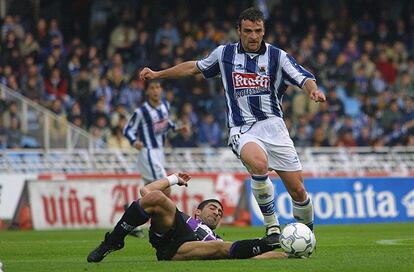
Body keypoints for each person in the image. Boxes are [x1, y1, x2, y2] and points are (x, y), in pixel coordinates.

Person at [139, 7, 326, 246]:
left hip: (275, 128)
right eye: (248, 31)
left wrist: (313, 91)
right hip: (242, 128)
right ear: (239, 30)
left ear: (263, 30)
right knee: (259, 164)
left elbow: (303, 77)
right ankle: (273, 229)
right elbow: (193, 67)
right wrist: (157, 74)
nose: (253, 36)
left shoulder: (277, 56)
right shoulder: (224, 54)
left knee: (299, 192)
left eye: (258, 31)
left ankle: (307, 237)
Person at [87, 172, 288, 262]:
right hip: (173, 231)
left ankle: (270, 242)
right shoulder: (183, 218)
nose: (217, 212)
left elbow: (253, 257)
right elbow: (146, 190)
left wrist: (285, 253)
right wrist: (174, 179)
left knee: (222, 247)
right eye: (213, 207)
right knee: (155, 197)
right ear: (197, 212)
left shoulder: (216, 240)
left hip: (184, 248)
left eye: (220, 212)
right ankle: (113, 241)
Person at [123, 79, 187, 195]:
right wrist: (134, 142)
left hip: (159, 152)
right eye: (152, 88)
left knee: (150, 189)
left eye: (158, 87)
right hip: (148, 152)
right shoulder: (141, 111)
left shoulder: (165, 106)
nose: (155, 91)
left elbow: (166, 123)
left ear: (161, 89)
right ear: (147, 91)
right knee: (166, 187)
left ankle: (142, 211)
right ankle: (167, 213)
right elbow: (127, 130)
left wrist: (177, 128)